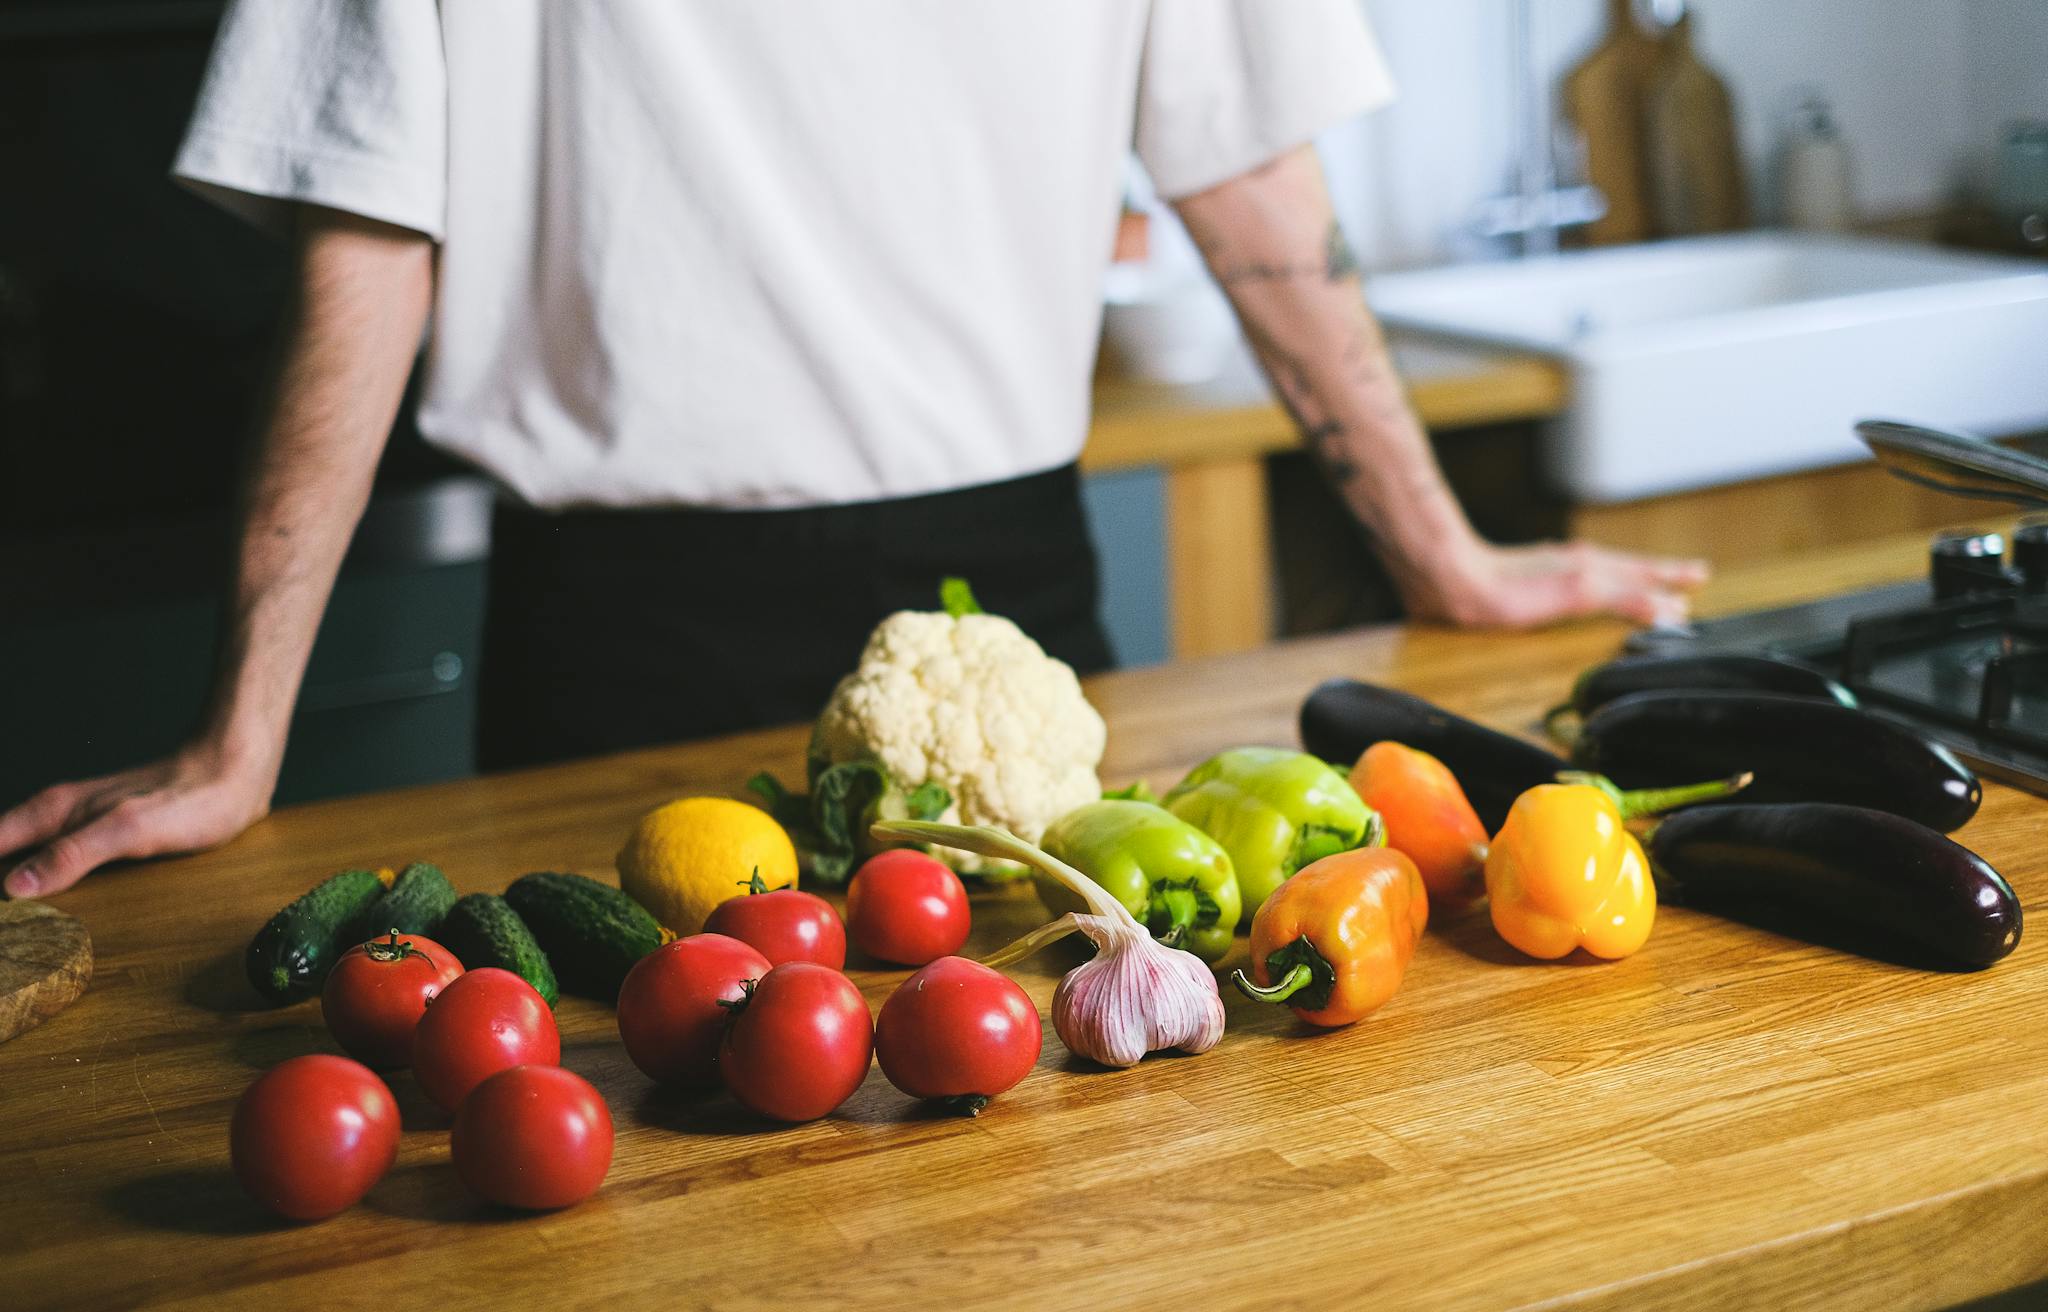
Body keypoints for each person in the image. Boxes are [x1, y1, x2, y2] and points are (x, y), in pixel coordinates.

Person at [0, 0, 1706, 900]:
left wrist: (1443, 558)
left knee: (1061, 1191)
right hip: (624, 663)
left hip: (1007, 643)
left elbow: (1252, 179)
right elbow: (372, 228)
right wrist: (242, 737)